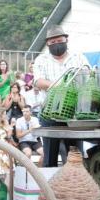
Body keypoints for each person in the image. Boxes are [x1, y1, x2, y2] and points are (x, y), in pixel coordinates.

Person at [33, 25, 87, 167]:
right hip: (49, 114)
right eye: (53, 42)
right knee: (50, 155)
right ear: (47, 44)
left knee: (74, 155)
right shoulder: (41, 60)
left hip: (74, 114)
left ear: (66, 39)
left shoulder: (78, 58)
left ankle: (75, 184)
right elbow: (38, 81)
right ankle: (50, 185)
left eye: (59, 40)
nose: (56, 44)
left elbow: (88, 77)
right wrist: (59, 86)